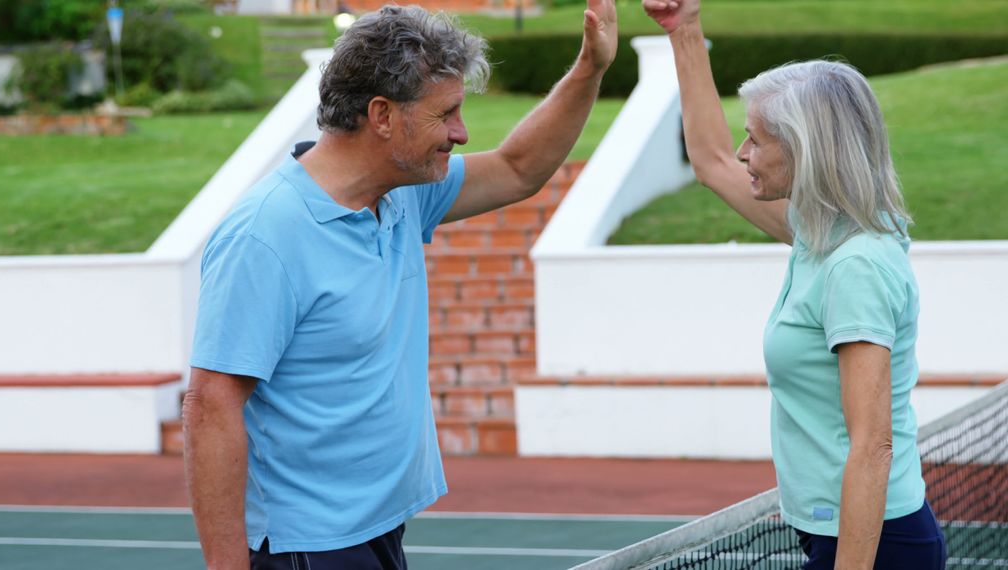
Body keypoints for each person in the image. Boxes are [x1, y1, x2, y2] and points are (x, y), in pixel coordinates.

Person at [183, 2, 617, 568]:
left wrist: (590, 67)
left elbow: (519, 168)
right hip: (308, 548)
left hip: (379, 529)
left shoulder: (403, 190)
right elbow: (210, 404)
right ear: (382, 115)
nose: (460, 133)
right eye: (446, 115)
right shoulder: (265, 234)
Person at [642, 1, 947, 568]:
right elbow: (708, 160)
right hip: (840, 532)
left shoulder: (855, 265)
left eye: (755, 139)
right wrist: (684, 29)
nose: (742, 152)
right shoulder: (819, 232)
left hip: (873, 545)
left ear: (805, 148)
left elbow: (873, 447)